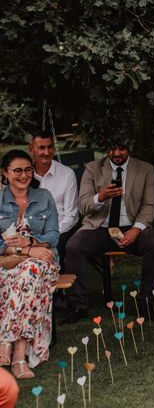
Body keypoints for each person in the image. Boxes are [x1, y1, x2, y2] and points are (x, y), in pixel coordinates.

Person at [62, 139, 154, 324]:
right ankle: (78, 306)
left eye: (122, 148)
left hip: (131, 227)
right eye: (112, 148)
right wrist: (100, 197)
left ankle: (146, 301)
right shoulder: (93, 168)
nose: (116, 153)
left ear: (129, 148)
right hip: (100, 227)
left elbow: (150, 205)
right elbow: (83, 205)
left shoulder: (145, 169)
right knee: (74, 246)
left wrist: (136, 229)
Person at [0, 150, 59, 379]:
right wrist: (25, 250)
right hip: (8, 263)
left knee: (30, 271)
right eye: (17, 170)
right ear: (5, 173)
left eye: (27, 169)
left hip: (42, 262)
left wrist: (33, 242)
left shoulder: (44, 197)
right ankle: (19, 357)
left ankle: (6, 343)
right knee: (25, 276)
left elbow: (54, 235)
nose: (24, 175)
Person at [28, 130, 79, 267]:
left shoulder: (67, 174)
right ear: (31, 149)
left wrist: (49, 236)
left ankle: (56, 286)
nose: (46, 152)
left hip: (59, 229)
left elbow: (71, 215)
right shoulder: (24, 174)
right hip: (29, 231)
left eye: (50, 147)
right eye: (41, 147)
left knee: (55, 247)